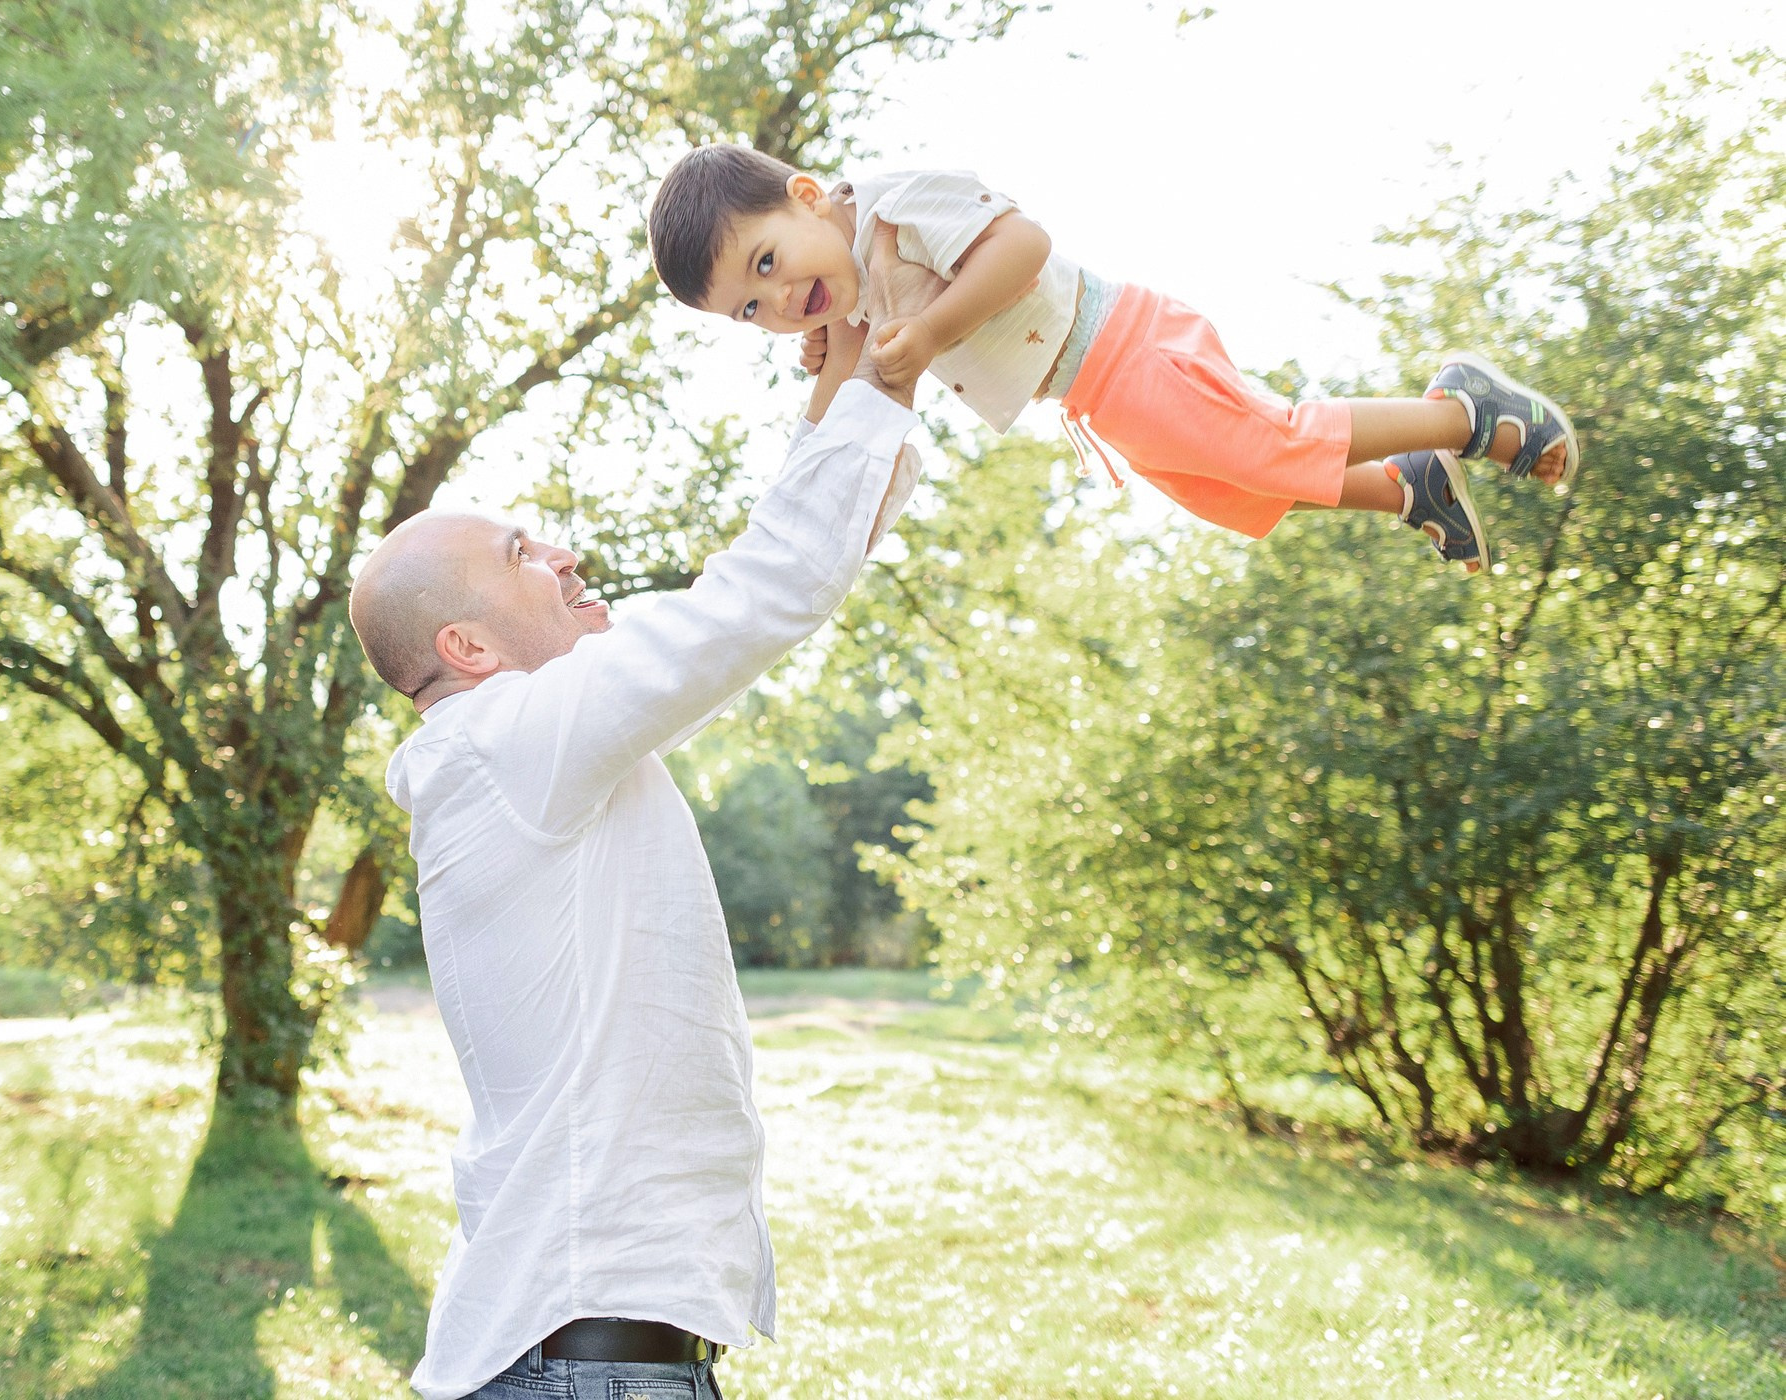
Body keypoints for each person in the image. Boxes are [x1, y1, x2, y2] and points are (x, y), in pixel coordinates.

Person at [346, 226, 939, 1400]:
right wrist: (893, 357)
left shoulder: (532, 753)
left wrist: (851, 367)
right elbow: (763, 595)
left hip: (594, 1363)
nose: (560, 550)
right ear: (465, 645)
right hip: (588, 1370)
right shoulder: (510, 743)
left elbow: (797, 559)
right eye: (522, 552)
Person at [648, 143, 1584, 575]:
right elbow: (843, 413)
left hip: (1125, 344)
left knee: (1265, 444)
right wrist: (827, 350)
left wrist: (926, 336)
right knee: (1235, 491)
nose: (776, 300)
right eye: (751, 310)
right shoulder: (847, 294)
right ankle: (1405, 484)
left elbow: (1024, 246)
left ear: (807, 196)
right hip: (1093, 396)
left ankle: (1464, 414)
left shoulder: (891, 205)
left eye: (766, 264)